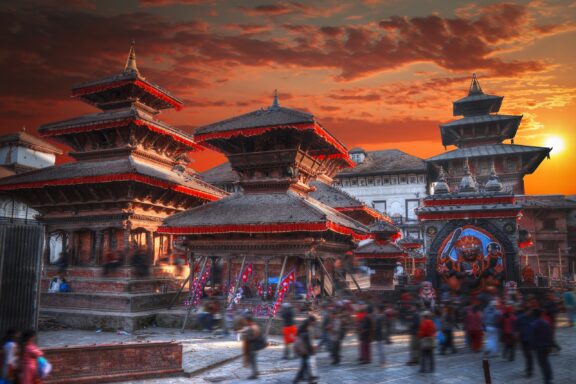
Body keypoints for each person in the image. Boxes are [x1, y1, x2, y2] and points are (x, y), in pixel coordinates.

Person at [531, 308, 553, 384]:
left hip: (539, 347)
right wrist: (550, 345)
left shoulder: (534, 324)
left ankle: (546, 379)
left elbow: (533, 337)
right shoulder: (546, 323)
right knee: (546, 362)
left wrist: (532, 347)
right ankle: (549, 377)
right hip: (546, 346)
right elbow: (550, 335)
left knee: (542, 363)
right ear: (540, 314)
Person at [294, 316, 318, 383]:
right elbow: (308, 341)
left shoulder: (305, 325)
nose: (314, 323)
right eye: (314, 322)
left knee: (305, 364)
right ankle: (309, 380)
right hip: (304, 348)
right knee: (307, 364)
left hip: (303, 348)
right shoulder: (307, 328)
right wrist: (312, 349)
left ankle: (301, 378)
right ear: (311, 321)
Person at [516, 307, 535, 377]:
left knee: (529, 355)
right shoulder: (520, 318)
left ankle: (529, 370)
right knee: (526, 355)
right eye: (530, 311)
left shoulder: (532, 318)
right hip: (523, 339)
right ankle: (529, 368)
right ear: (526, 311)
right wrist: (517, 334)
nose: (531, 312)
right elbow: (516, 326)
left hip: (530, 339)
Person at [241, 315, 261, 380]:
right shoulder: (254, 326)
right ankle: (256, 372)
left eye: (246, 320)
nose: (245, 322)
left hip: (253, 347)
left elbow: (253, 338)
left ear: (248, 320)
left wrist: (246, 336)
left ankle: (254, 374)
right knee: (253, 361)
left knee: (253, 361)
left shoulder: (252, 327)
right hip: (254, 347)